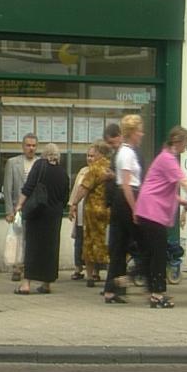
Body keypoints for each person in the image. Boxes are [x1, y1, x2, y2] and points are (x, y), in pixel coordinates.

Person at [135, 126, 187, 308]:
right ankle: (157, 295)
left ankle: (151, 289)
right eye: (186, 142)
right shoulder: (168, 159)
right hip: (152, 211)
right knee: (159, 253)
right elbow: (183, 182)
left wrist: (180, 200)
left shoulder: (164, 156)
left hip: (148, 208)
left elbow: (159, 186)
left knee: (153, 252)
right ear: (178, 141)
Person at [13, 143, 70, 294]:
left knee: (33, 247)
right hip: (54, 216)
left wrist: (19, 205)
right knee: (50, 248)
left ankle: (26, 284)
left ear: (44, 155)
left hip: (37, 213)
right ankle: (46, 284)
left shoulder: (39, 165)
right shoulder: (63, 173)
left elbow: (29, 187)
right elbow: (65, 198)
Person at [103, 114, 144, 304]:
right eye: (139, 131)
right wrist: (135, 209)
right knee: (145, 242)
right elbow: (127, 185)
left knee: (119, 245)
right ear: (131, 133)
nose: (141, 135)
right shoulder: (127, 153)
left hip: (122, 200)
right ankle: (141, 280)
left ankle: (112, 289)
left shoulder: (124, 152)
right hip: (127, 198)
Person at [69, 140, 112, 288]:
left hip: (94, 210)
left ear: (99, 153)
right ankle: (109, 275)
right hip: (109, 210)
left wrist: (74, 203)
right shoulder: (111, 167)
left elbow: (84, 188)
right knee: (108, 243)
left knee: (90, 242)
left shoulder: (95, 169)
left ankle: (90, 276)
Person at [3, 133, 39, 281]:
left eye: (34, 146)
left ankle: (29, 267)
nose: (31, 148)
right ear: (23, 146)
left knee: (32, 239)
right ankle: (17, 267)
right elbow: (7, 188)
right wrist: (9, 211)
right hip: (18, 208)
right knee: (17, 238)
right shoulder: (13, 162)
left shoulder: (40, 163)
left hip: (35, 208)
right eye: (28, 145)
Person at [67, 145, 96, 280]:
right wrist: (72, 205)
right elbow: (76, 190)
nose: (89, 158)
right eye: (88, 155)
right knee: (79, 240)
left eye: (92, 156)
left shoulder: (99, 172)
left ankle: (95, 270)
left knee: (93, 241)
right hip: (80, 211)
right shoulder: (83, 171)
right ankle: (78, 268)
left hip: (93, 212)